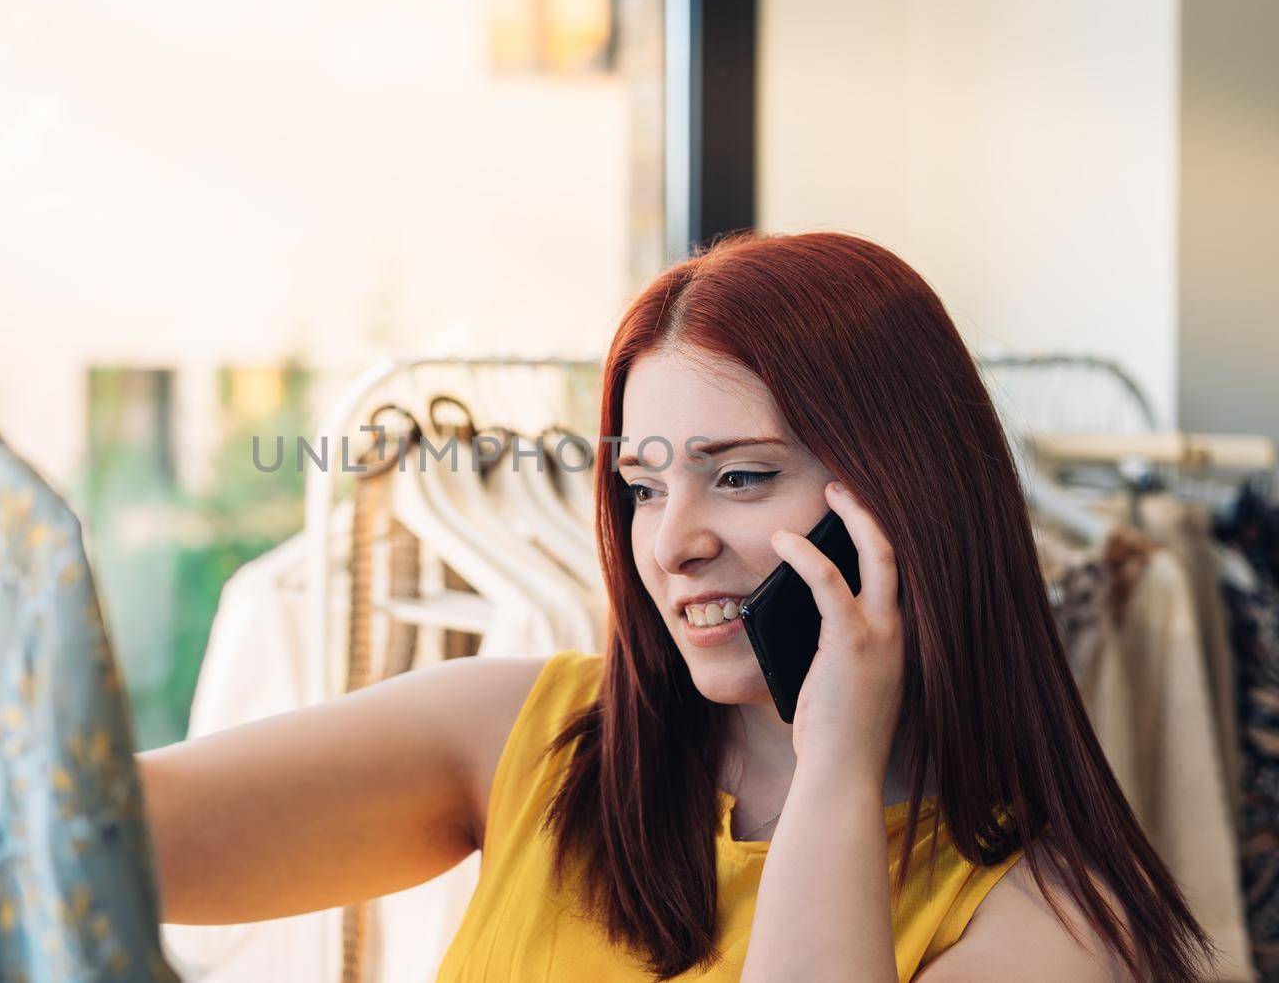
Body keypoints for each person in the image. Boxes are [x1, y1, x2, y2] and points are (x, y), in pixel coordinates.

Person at [137, 232, 1213, 981]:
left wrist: (834, 761)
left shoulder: (1061, 917)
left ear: (902, 497)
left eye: (739, 476)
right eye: (645, 485)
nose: (671, 541)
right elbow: (115, 833)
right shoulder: (530, 736)